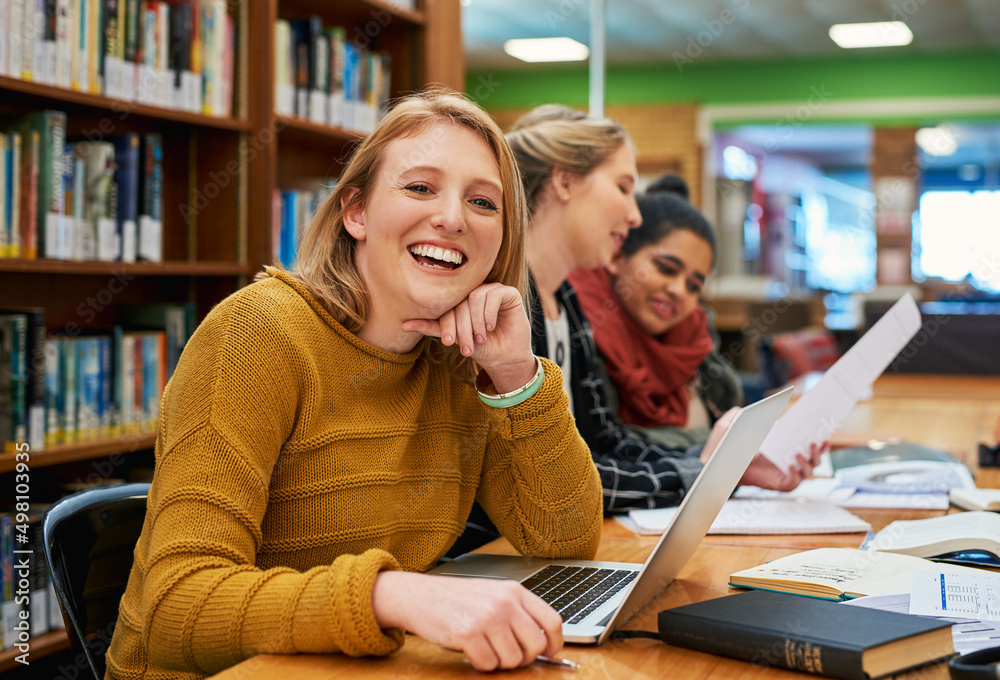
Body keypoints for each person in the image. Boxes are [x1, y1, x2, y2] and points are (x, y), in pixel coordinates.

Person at [104, 90, 603, 679]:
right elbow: (175, 609)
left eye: (482, 202)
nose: (452, 217)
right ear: (356, 213)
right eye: (419, 188)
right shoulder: (256, 334)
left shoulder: (458, 364)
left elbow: (563, 542)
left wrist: (517, 376)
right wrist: (395, 596)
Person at [505, 105, 821, 512]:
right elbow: (556, 485)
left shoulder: (564, 301)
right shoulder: (510, 304)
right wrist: (705, 470)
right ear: (564, 180)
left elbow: (601, 448)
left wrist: (724, 466)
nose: (634, 213)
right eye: (622, 187)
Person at [568, 175, 741, 449]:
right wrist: (711, 446)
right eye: (666, 268)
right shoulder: (576, 325)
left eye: (694, 285)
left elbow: (733, 416)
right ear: (616, 256)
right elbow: (597, 450)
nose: (678, 291)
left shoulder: (695, 338)